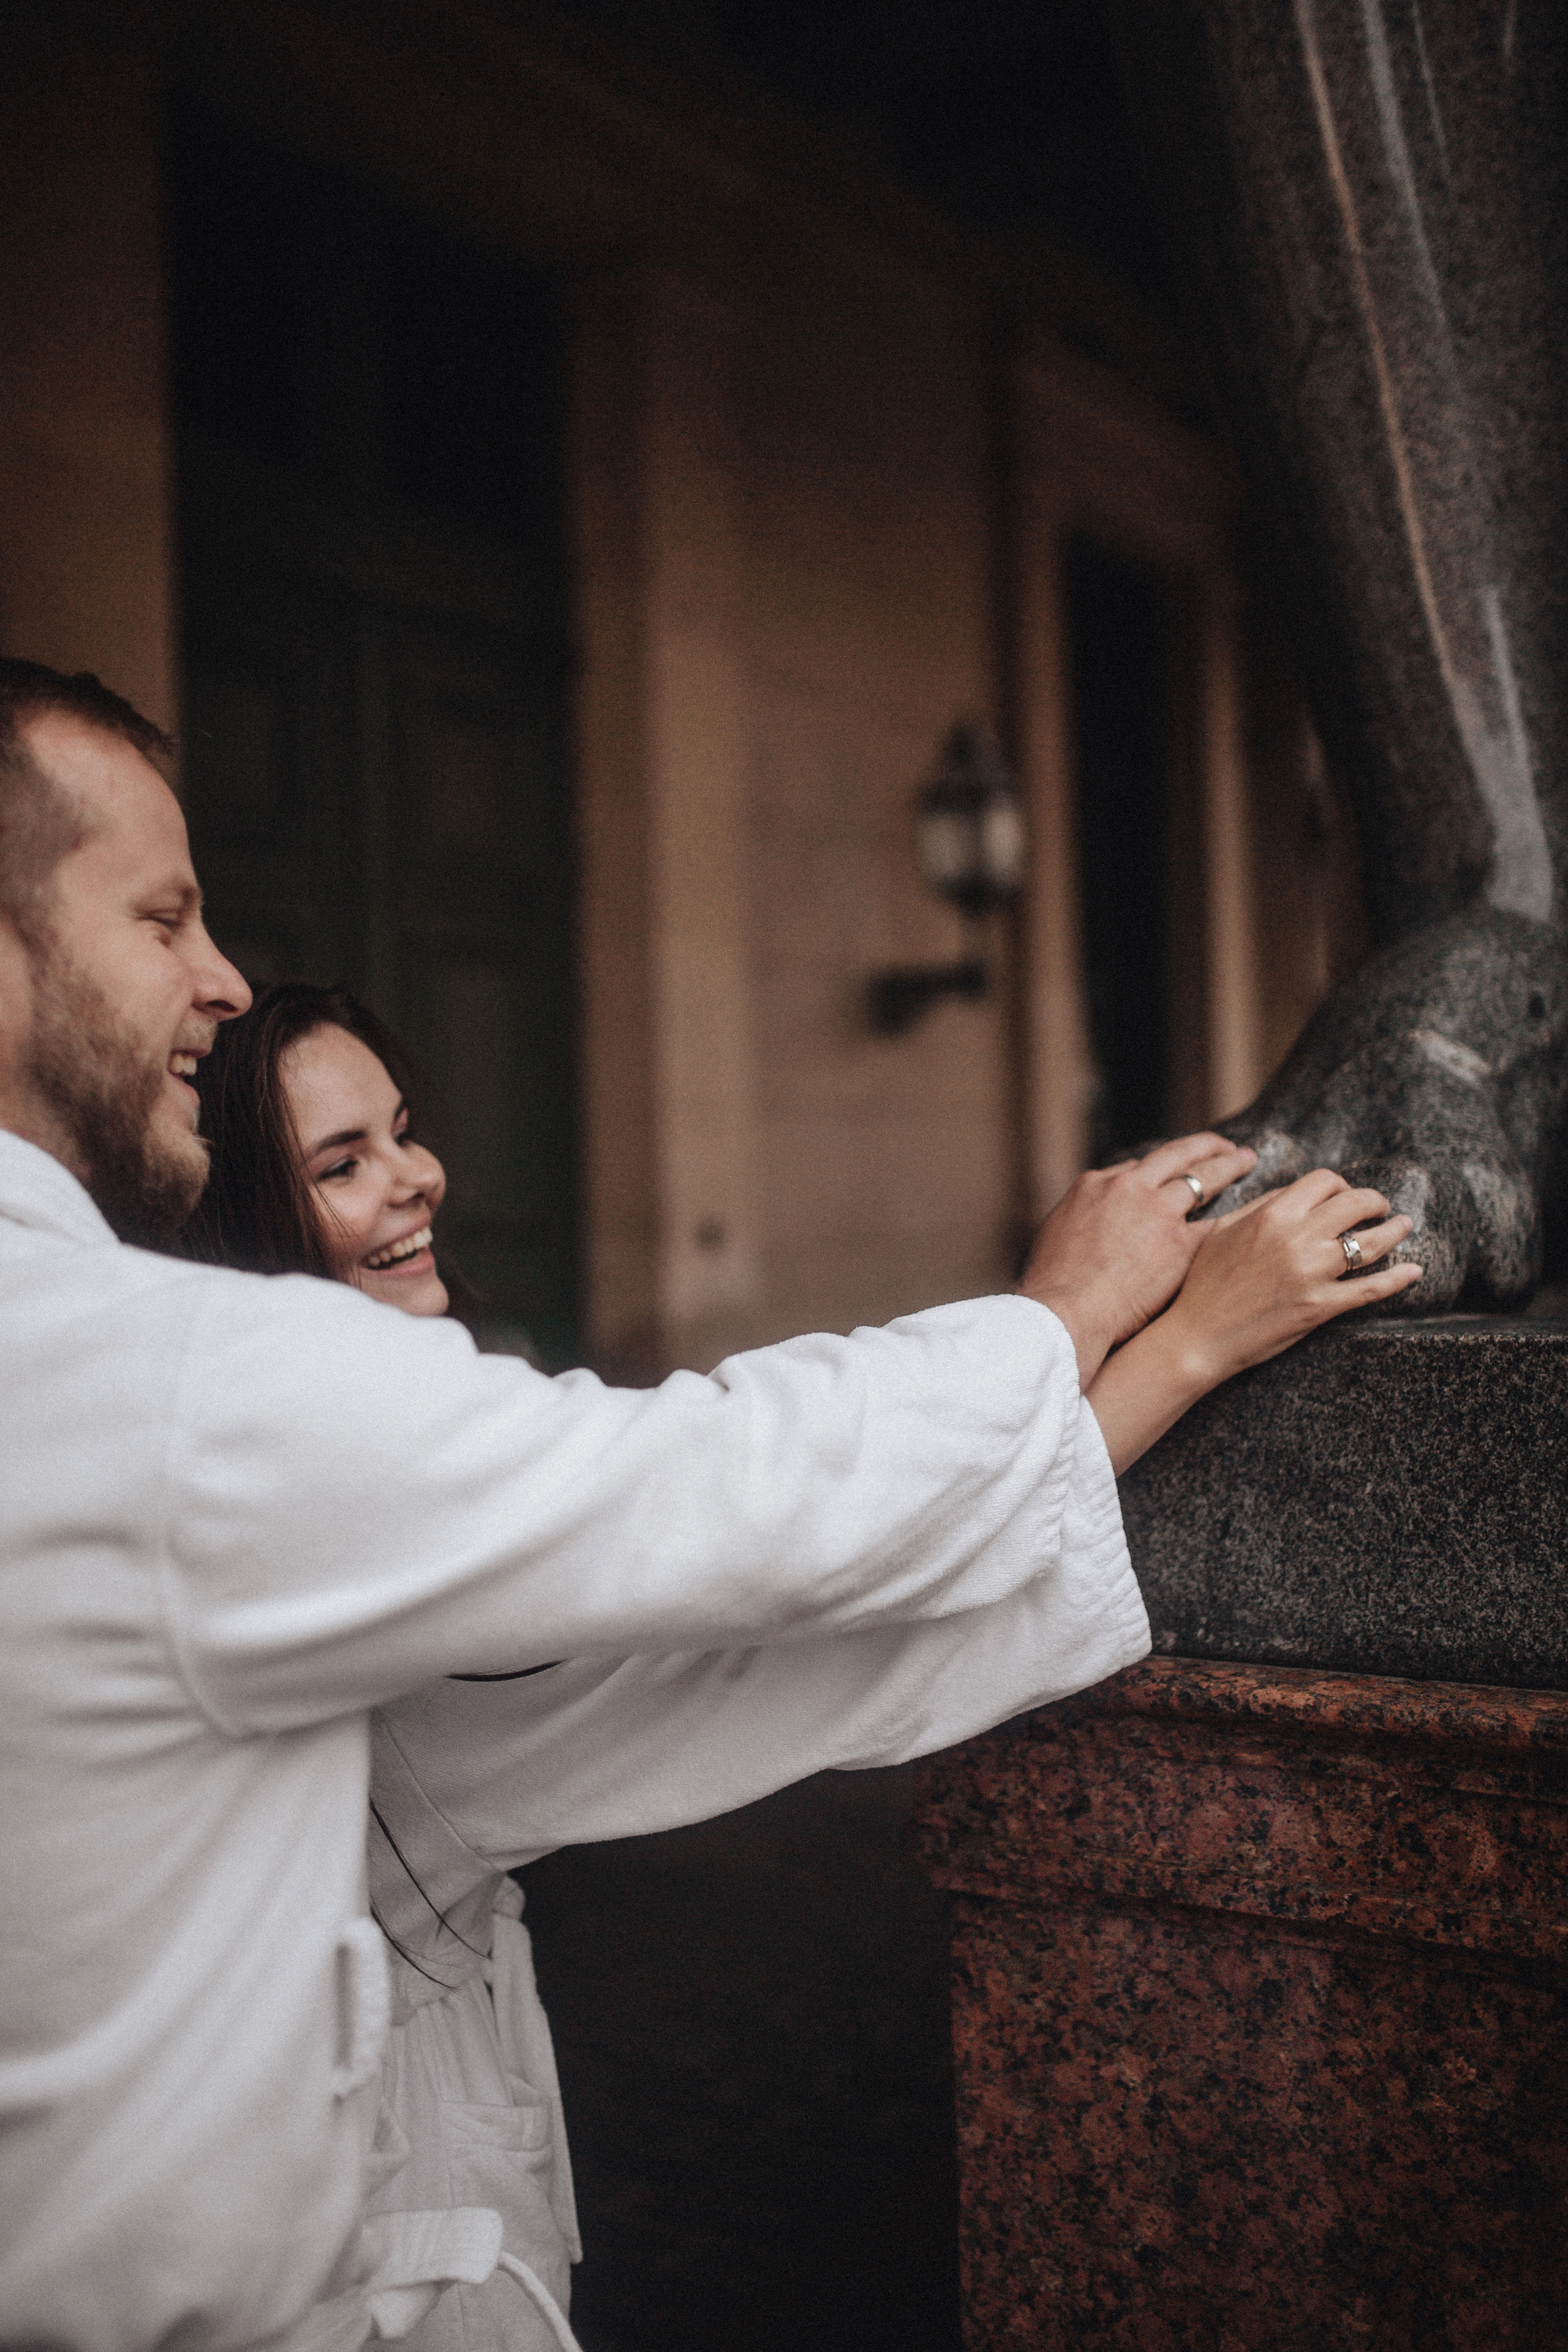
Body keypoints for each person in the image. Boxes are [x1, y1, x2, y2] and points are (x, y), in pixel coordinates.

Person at [0, 657, 1421, 2352]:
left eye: (407, 1133)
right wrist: (1082, 1320)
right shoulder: (182, 1397)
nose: (217, 979)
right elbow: (737, 1537)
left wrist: (1157, 1349)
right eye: (162, 919)